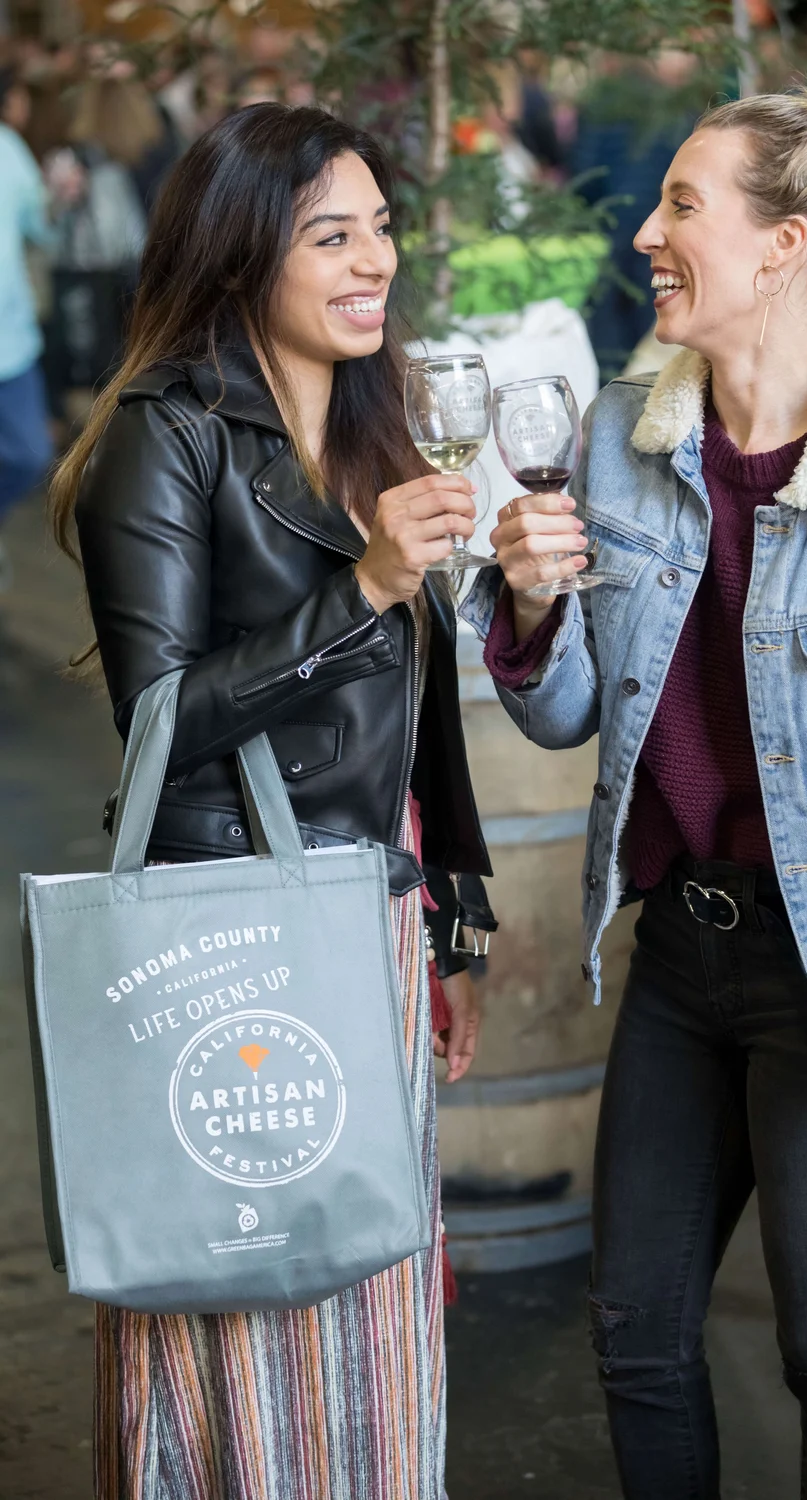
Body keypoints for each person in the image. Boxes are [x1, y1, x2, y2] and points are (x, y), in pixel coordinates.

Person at [463, 61, 807, 1500]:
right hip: (678, 959)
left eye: (679, 204)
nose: (645, 230)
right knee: (636, 1331)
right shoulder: (619, 447)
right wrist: (524, 615)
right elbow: (577, 716)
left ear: (785, 248)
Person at [49, 104, 493, 1500]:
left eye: (379, 228)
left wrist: (454, 917)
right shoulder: (162, 434)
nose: (377, 261)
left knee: (369, 1303)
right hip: (234, 945)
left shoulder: (372, 420)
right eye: (332, 236)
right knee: (244, 1288)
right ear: (244, 255)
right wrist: (356, 588)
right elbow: (160, 722)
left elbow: (415, 707)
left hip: (371, 916)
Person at [0, 66, 54, 567]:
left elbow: (42, 227)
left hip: (9, 342)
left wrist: (59, 203)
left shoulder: (9, 150)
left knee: (29, 453)